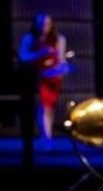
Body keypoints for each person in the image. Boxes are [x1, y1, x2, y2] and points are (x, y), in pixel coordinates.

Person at [18, 13, 68, 149]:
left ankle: (47, 136)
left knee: (49, 107)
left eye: (46, 24)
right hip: (35, 77)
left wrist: (62, 70)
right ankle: (46, 137)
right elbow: (23, 56)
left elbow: (61, 59)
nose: (44, 27)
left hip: (53, 77)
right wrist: (40, 53)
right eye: (41, 24)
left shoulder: (59, 39)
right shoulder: (29, 38)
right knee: (44, 107)